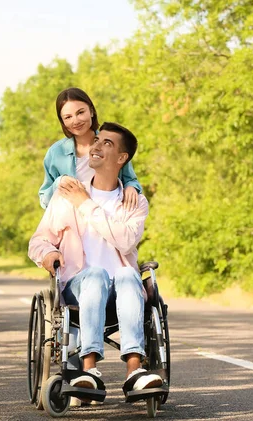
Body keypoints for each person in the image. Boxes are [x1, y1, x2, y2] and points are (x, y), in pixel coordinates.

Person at [28, 121, 163, 404]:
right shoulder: (65, 197)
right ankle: (88, 371)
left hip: (122, 293)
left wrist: (85, 204)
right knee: (96, 274)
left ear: (122, 158)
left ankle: (134, 371)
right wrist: (48, 254)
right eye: (97, 140)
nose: (96, 146)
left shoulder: (134, 202)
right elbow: (38, 241)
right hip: (79, 287)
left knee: (127, 273)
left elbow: (126, 241)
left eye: (107, 144)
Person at [38, 87, 142, 211]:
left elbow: (130, 179)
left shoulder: (112, 144)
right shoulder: (56, 153)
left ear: (91, 111)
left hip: (109, 219)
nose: (75, 121)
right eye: (68, 117)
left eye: (80, 112)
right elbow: (45, 201)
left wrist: (131, 187)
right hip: (72, 223)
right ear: (62, 121)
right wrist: (59, 182)